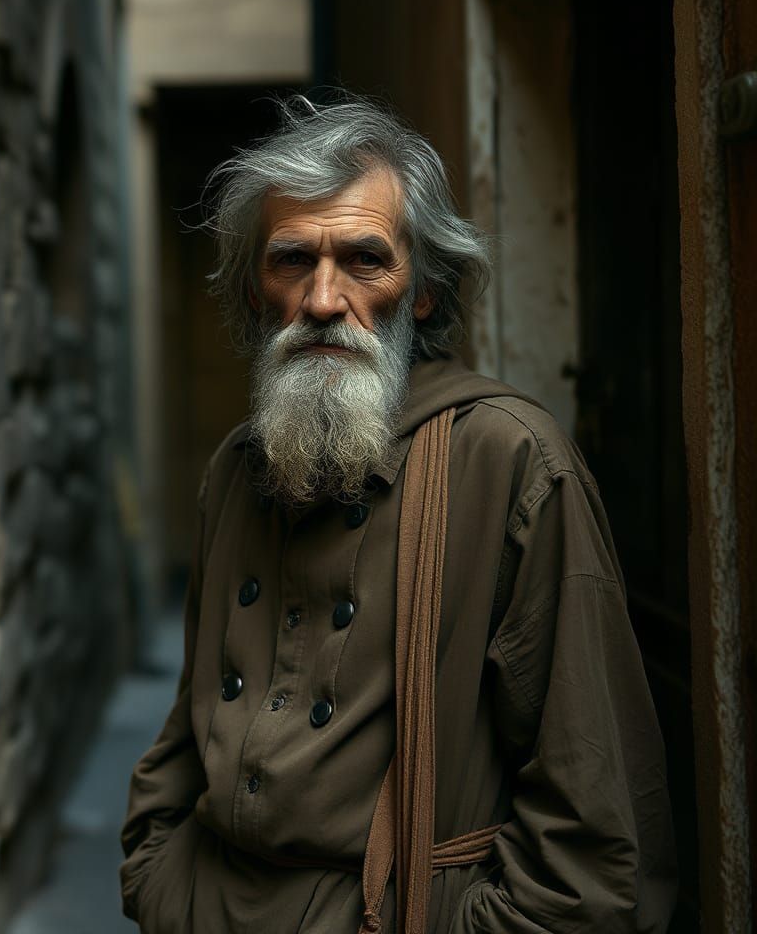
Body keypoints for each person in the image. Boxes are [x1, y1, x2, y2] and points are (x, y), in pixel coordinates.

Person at [120, 96, 676, 933]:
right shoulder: (235, 470)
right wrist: (160, 881)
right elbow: (185, 734)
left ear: (421, 292)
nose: (323, 298)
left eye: (365, 260)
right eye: (291, 260)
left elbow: (594, 833)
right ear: (254, 289)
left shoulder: (510, 462)